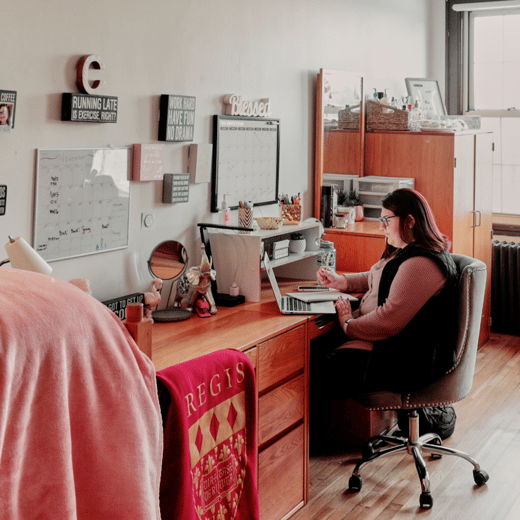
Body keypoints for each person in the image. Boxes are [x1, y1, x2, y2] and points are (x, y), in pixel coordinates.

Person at [315, 188, 459, 399]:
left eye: (386, 220)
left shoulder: (421, 263)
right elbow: (380, 277)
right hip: (396, 348)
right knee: (317, 350)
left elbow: (388, 320)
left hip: (408, 361)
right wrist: (342, 282)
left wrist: (348, 323)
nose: (381, 226)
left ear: (410, 221)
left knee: (316, 368)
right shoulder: (409, 252)